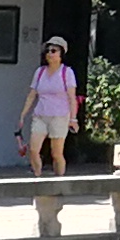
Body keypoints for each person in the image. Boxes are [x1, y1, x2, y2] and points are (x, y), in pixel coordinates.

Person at [22, 37, 82, 175]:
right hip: (40, 115)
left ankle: (58, 181)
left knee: (56, 153)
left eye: (54, 50)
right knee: (33, 149)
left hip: (59, 116)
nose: (50, 53)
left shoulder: (67, 72)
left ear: (61, 54)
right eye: (47, 51)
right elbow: (32, 94)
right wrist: (23, 115)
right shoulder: (40, 72)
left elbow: (72, 98)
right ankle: (37, 177)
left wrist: (73, 119)